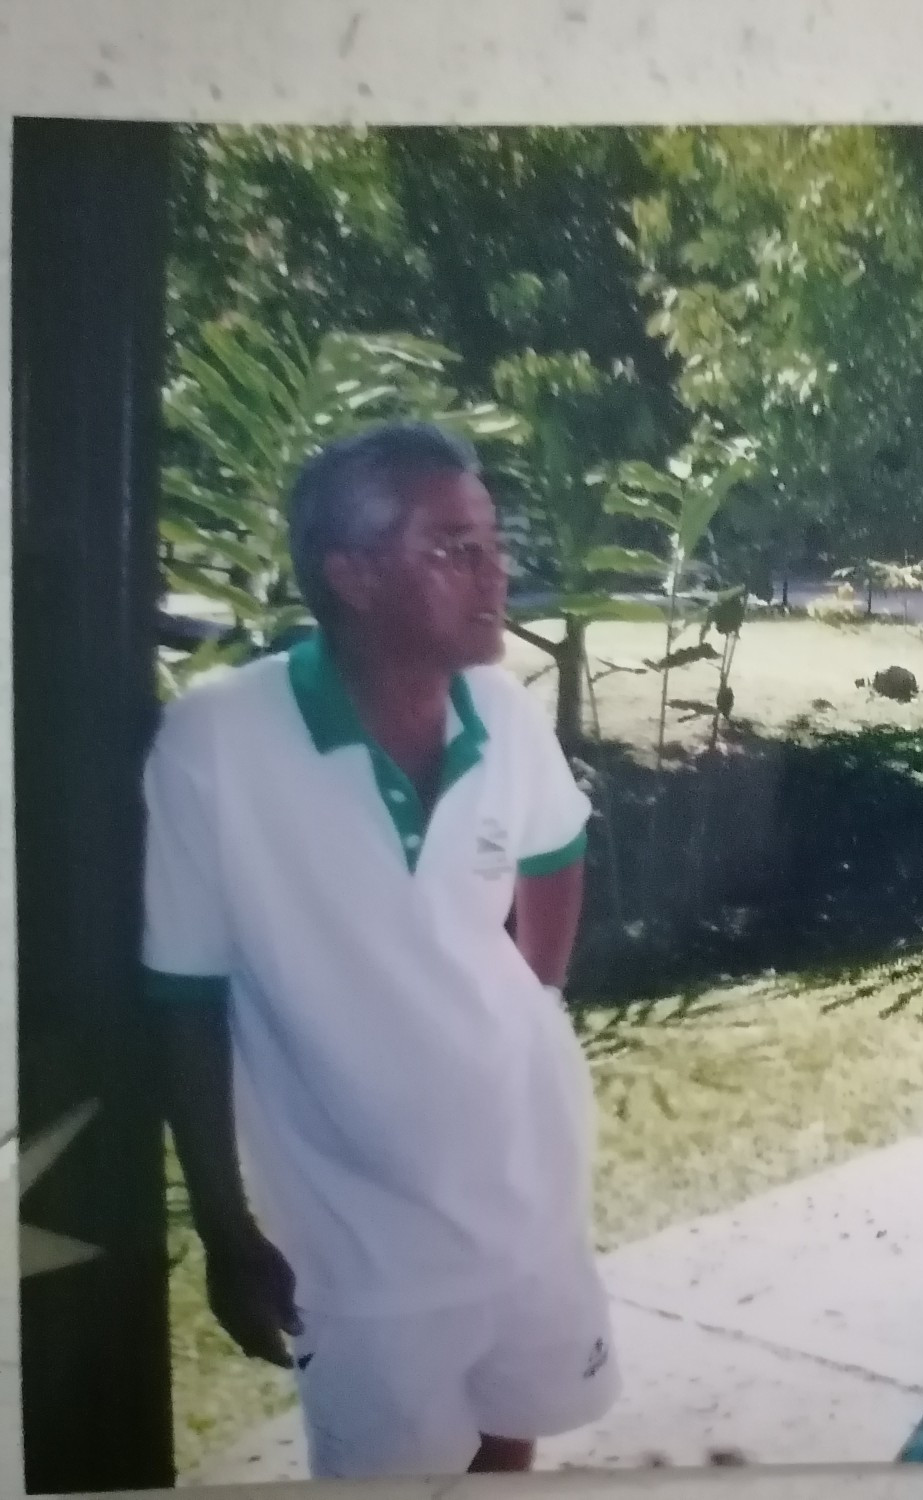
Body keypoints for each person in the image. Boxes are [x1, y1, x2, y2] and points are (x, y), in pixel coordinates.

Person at [145, 422, 620, 1478]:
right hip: (360, 1250)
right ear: (351, 575)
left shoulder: (501, 710)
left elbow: (555, 850)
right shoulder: (219, 742)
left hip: (528, 1193)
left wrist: (529, 1008)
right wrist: (226, 1228)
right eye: (456, 548)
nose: (498, 572)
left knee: (509, 1448)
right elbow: (184, 997)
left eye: (494, 542)